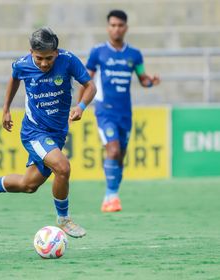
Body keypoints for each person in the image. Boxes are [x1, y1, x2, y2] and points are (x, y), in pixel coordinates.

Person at [0, 27, 96, 238]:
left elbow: (90, 86)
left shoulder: (68, 60)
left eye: (49, 58)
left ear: (57, 52)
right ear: (31, 52)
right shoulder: (23, 64)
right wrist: (5, 109)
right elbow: (14, 78)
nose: (44, 63)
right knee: (63, 167)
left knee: (29, 184)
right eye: (39, 58)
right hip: (34, 132)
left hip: (58, 133)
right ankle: (63, 219)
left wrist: (81, 107)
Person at [79, 10, 160, 212]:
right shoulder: (98, 52)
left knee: (120, 155)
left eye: (120, 25)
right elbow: (86, 81)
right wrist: (79, 106)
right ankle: (111, 196)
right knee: (113, 150)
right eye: (113, 25)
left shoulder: (134, 55)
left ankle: (111, 194)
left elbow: (143, 80)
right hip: (105, 111)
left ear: (126, 28)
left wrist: (151, 82)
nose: (116, 29)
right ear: (108, 27)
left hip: (125, 113)